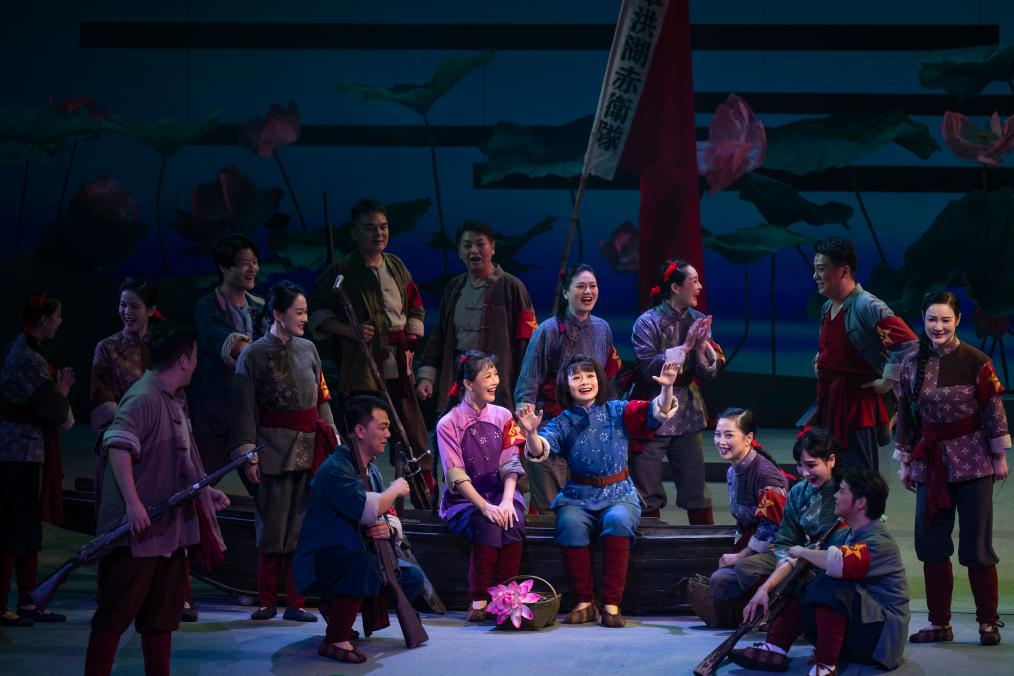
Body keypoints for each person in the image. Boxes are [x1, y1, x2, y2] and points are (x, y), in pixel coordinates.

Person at [83, 322, 231, 676]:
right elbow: (118, 445)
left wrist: (204, 491)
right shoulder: (144, 396)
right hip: (138, 534)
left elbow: (178, 458)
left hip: (167, 533)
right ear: (183, 360)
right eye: (195, 356)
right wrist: (133, 503)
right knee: (114, 615)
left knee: (160, 619)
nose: (196, 363)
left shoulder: (171, 398)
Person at [517, 354, 679, 628]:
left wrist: (667, 387)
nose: (585, 382)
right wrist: (532, 434)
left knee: (618, 520)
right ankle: (584, 602)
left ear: (599, 380)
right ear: (566, 384)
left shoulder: (617, 410)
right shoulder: (562, 421)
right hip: (577, 495)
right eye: (577, 377)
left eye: (590, 376)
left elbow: (655, 412)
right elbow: (540, 449)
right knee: (569, 524)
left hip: (618, 492)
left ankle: (611, 604)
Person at [895, 291, 1009, 646]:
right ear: (923, 319)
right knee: (931, 543)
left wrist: (999, 456)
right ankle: (939, 622)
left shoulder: (976, 360)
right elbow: (906, 415)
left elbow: (993, 409)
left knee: (976, 544)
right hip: (931, 464)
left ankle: (987, 621)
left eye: (946, 319)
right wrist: (905, 461)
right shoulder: (911, 362)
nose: (938, 326)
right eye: (932, 319)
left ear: (958, 320)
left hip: (973, 461)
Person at [89, 279, 202, 622]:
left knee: (170, 522)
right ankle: (115, 596)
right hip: (124, 446)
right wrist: (140, 418)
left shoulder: (163, 342)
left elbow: (178, 398)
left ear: (151, 310)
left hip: (164, 450)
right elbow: (101, 404)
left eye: (134, 306)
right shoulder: (108, 349)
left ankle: (171, 597)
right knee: (121, 532)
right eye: (123, 305)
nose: (127, 312)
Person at [309, 198, 434, 503]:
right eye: (370, 228)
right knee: (364, 438)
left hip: (399, 367)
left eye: (383, 227)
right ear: (354, 232)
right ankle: (364, 503)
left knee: (414, 440)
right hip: (362, 369)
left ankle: (423, 505)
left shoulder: (396, 266)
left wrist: (411, 345)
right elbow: (317, 313)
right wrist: (348, 330)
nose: (378, 234)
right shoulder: (342, 271)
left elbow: (415, 306)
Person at [732, 468, 910, 675]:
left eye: (842, 491)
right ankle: (776, 647)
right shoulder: (844, 535)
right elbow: (799, 562)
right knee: (803, 578)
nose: (835, 496)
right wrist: (764, 589)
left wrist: (802, 551)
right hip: (860, 628)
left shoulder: (880, 542)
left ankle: (825, 664)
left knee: (830, 583)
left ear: (860, 502)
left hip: (879, 640)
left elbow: (837, 562)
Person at [231, 281, 339, 622]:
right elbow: (244, 409)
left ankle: (296, 602)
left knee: (301, 527)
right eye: (299, 312)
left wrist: (332, 439)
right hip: (272, 449)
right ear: (277, 314)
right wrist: (249, 453)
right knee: (272, 527)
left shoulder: (309, 349)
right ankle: (267, 601)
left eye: (306, 312)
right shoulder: (253, 355)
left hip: (309, 448)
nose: (305, 318)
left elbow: (322, 397)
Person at [294, 395, 418, 664]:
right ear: (360, 431)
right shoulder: (336, 468)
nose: (388, 434)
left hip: (351, 552)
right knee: (363, 566)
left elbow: (385, 516)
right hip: (320, 560)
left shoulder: (370, 469)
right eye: (382, 427)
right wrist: (395, 489)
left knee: (411, 578)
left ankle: (338, 610)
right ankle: (335, 638)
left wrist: (389, 529)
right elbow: (367, 509)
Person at [515, 264, 622, 514]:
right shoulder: (548, 330)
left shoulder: (602, 329)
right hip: (551, 426)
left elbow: (606, 380)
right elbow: (528, 382)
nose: (588, 292)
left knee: (586, 505)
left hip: (590, 428)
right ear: (565, 292)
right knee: (551, 505)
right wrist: (528, 429)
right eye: (581, 286)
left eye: (593, 286)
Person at [806, 236, 917, 471]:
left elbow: (907, 343)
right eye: (815, 270)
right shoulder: (828, 306)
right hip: (829, 402)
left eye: (821, 269)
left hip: (856, 409)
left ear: (844, 271)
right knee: (831, 474)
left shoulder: (867, 306)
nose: (815, 276)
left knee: (859, 476)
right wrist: (820, 362)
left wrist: (887, 380)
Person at [0, 292, 74, 627]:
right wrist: (62, 394)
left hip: (26, 450)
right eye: (57, 316)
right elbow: (54, 409)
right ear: (44, 319)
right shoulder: (28, 357)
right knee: (14, 527)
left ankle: (28, 600)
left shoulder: (27, 350)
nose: (60, 321)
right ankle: (4, 602)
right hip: (18, 451)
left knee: (28, 527)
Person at [630, 259, 724, 523]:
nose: (700, 287)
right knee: (645, 489)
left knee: (696, 489)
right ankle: (650, 542)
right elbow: (648, 367)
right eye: (694, 281)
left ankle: (704, 543)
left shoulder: (698, 319)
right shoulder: (646, 322)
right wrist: (686, 347)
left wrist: (702, 345)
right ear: (675, 287)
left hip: (688, 412)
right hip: (653, 409)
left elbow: (711, 371)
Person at [437, 351, 527, 621]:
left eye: (495, 374)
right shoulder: (448, 423)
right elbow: (456, 475)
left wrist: (507, 501)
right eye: (487, 376)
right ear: (468, 384)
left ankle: (507, 597)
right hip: (465, 500)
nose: (495, 381)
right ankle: (478, 599)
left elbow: (511, 463)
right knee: (488, 524)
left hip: (500, 493)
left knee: (512, 520)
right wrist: (485, 506)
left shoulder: (503, 415)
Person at [417, 220, 537, 412]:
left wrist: (526, 391)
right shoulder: (454, 287)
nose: (474, 250)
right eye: (467, 245)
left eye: (480, 244)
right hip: (459, 381)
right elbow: (439, 336)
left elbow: (528, 342)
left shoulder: (512, 287)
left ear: (493, 248)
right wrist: (427, 376)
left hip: (499, 384)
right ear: (459, 251)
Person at [699, 408, 788, 625]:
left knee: (743, 568)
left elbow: (772, 528)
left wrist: (741, 555)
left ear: (748, 438)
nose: (721, 441)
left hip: (780, 546)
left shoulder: (766, 476)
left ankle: (776, 611)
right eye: (718, 434)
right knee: (719, 581)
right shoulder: (733, 471)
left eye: (729, 435)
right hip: (754, 544)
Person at [190, 234, 266, 476]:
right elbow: (232, 346)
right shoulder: (207, 306)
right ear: (224, 267)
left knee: (262, 485)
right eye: (244, 263)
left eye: (255, 262)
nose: (252, 268)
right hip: (216, 414)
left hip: (251, 417)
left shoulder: (259, 306)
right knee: (201, 482)